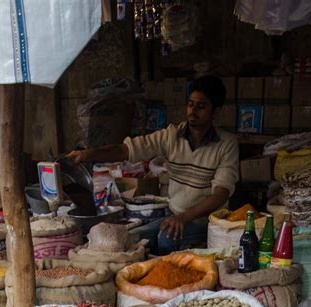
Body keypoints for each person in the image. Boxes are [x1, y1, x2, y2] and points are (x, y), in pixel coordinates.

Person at [67, 75, 239, 255]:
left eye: (201, 106)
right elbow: (125, 150)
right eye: (190, 104)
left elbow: (220, 195)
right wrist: (88, 154)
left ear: (216, 111)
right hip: (174, 215)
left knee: (166, 238)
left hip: (206, 221)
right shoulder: (172, 136)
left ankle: (166, 280)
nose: (193, 111)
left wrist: (184, 218)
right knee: (129, 236)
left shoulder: (226, 144)